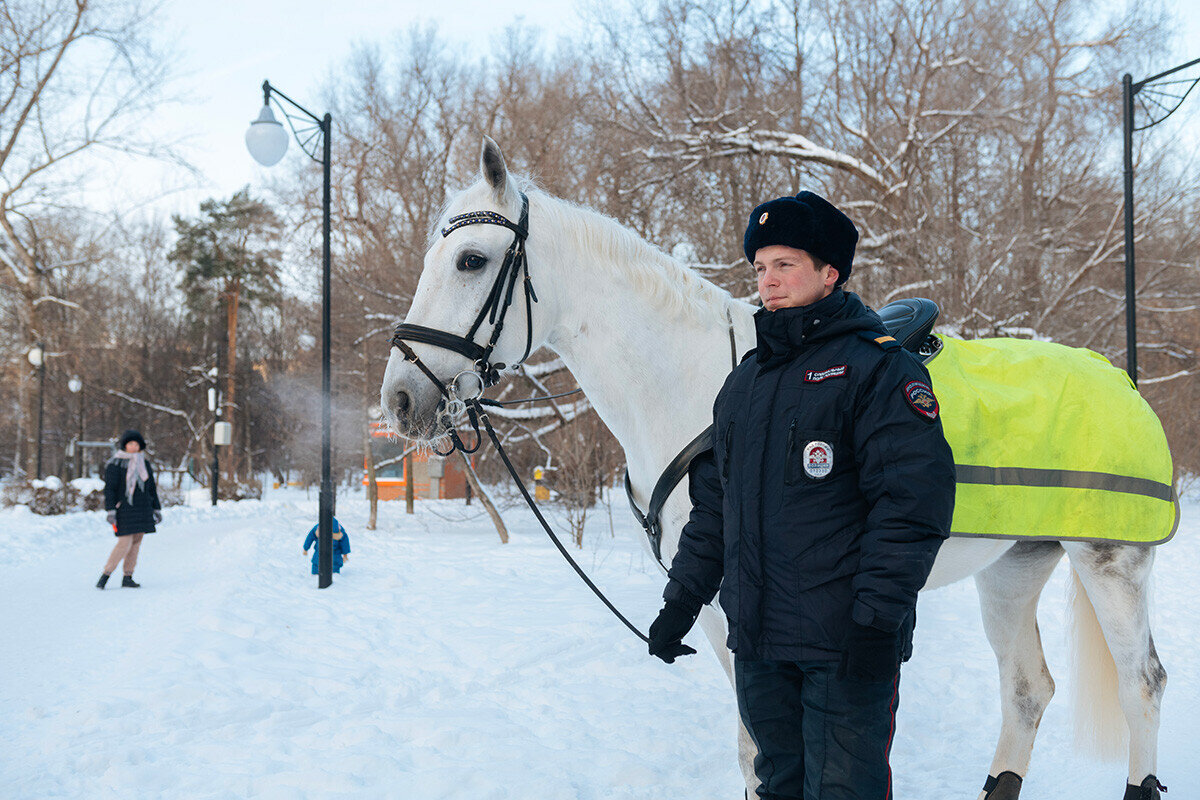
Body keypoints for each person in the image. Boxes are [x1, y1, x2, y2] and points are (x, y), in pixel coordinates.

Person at [648, 191, 956, 799]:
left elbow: (911, 509)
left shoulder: (879, 370)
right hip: (760, 643)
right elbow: (717, 509)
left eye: (784, 264)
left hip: (846, 643)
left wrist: (875, 624)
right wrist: (680, 603)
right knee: (778, 786)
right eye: (760, 268)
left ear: (829, 273)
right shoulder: (744, 384)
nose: (768, 281)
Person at [97, 429, 162, 589]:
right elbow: (110, 488)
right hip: (124, 508)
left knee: (136, 543)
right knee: (124, 543)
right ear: (125, 445)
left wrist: (156, 508)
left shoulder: (144, 463)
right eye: (130, 443)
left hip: (143, 508)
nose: (133, 447)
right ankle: (105, 575)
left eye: (136, 444)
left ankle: (128, 576)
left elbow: (151, 487)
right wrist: (110, 509)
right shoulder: (115, 463)